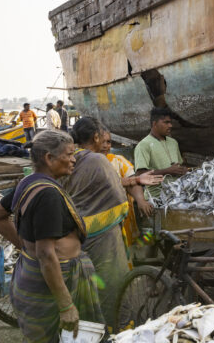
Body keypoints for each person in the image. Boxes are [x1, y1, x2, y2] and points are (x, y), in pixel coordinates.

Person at [0, 130, 103, 341]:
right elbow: (46, 254)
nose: (73, 159)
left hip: (30, 272)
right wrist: (66, 305)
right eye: (68, 154)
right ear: (49, 158)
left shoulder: (28, 182)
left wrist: (25, 248)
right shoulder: (48, 195)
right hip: (52, 280)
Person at [61, 117, 160, 328]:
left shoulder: (68, 160)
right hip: (103, 237)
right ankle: (116, 330)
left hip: (77, 235)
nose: (106, 144)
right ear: (96, 137)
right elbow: (117, 197)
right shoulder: (98, 161)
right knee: (113, 287)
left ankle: (91, 328)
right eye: (103, 139)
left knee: (88, 286)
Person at [101, 128, 160, 250]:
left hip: (122, 216)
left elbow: (132, 181)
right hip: (100, 219)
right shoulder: (88, 162)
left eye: (108, 142)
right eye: (102, 142)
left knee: (124, 249)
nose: (105, 146)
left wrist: (141, 200)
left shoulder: (118, 160)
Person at [135, 107, 188, 199]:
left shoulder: (173, 142)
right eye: (166, 122)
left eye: (170, 122)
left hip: (177, 194)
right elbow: (140, 174)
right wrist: (167, 171)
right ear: (154, 124)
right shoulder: (143, 145)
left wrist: (182, 170)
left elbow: (179, 165)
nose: (170, 125)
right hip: (156, 198)